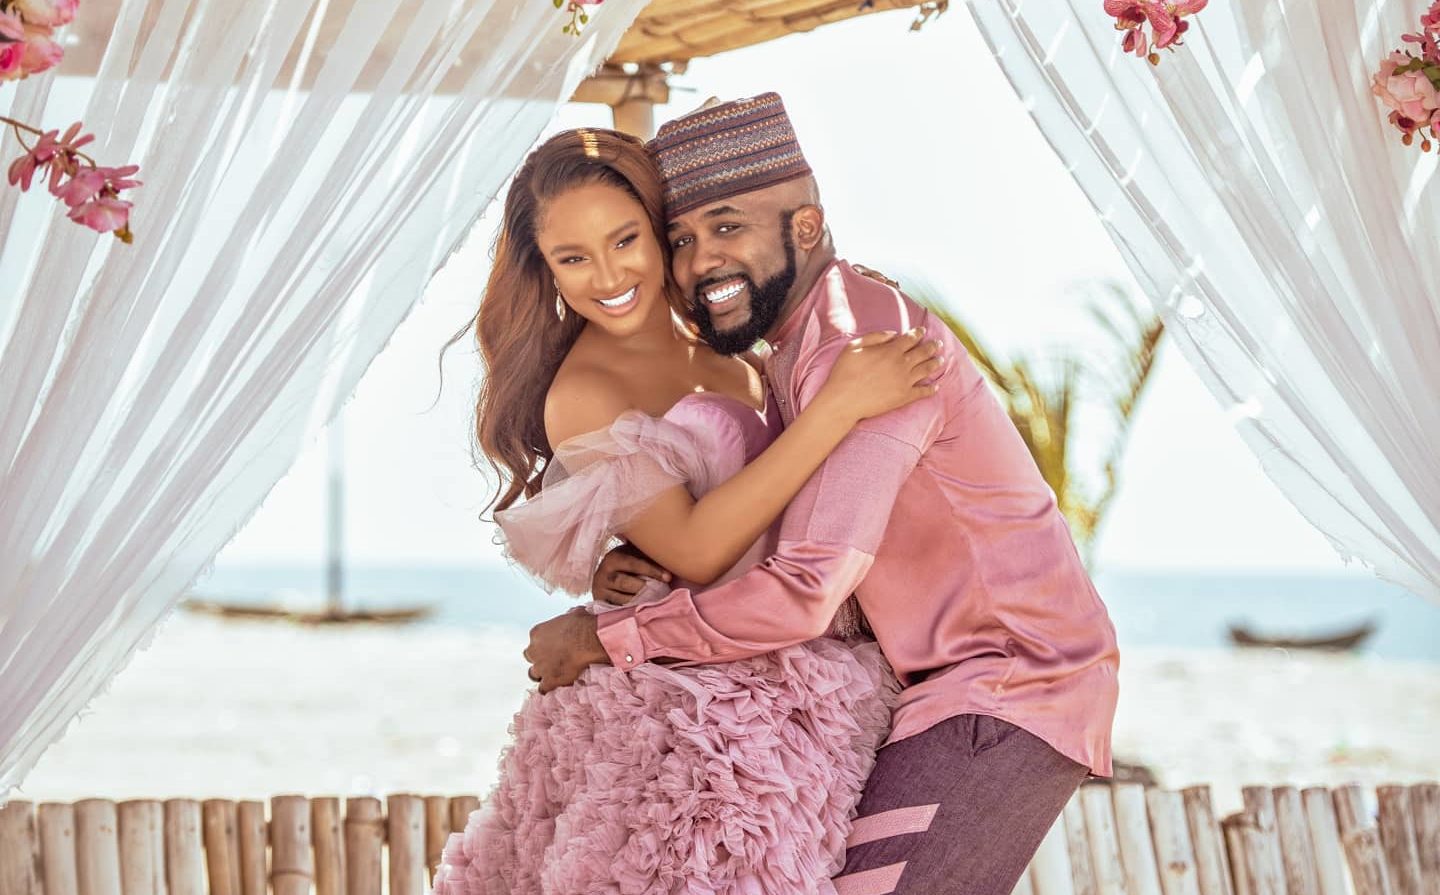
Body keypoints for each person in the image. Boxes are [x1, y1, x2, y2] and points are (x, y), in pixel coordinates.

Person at [524, 93, 1122, 895]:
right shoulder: (786, 350)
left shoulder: (866, 349)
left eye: (728, 228)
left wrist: (609, 638)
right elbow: (779, 520)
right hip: (924, 688)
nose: (701, 262)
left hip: (1011, 684)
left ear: (805, 227)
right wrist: (644, 557)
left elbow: (806, 591)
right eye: (684, 239)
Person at [432, 126, 944, 894]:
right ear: (545, 268)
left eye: (625, 240)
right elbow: (699, 550)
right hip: (705, 681)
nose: (610, 275)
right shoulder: (585, 391)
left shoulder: (721, 326)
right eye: (574, 258)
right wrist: (837, 409)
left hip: (799, 637)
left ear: (658, 227)